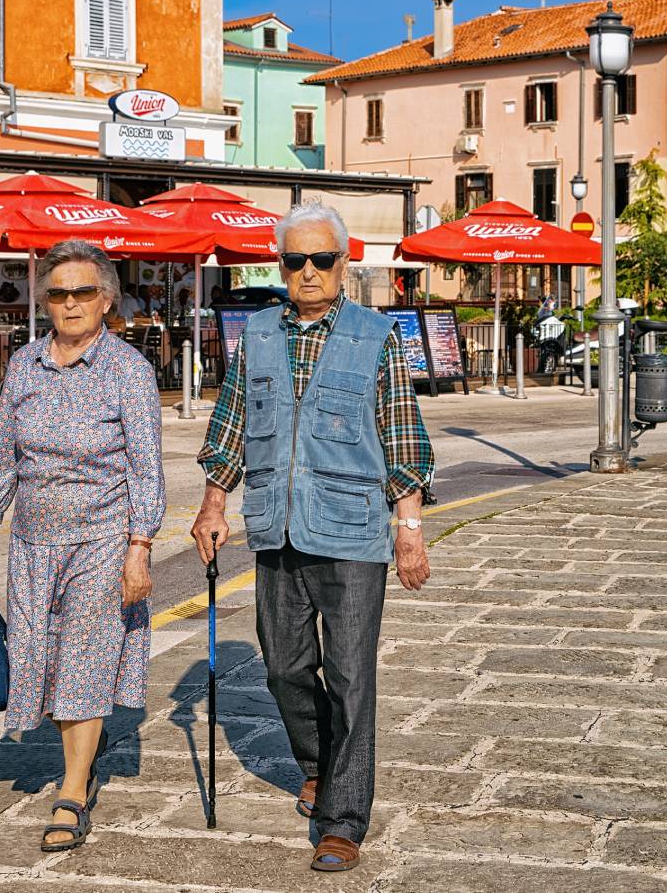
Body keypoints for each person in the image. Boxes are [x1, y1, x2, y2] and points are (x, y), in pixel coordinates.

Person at [192, 201, 434, 872]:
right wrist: (214, 502)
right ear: (281, 264)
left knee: (352, 678)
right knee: (282, 666)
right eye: (294, 260)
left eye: (321, 260)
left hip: (353, 532)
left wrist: (409, 530)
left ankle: (343, 818)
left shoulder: (374, 334)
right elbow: (232, 429)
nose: (306, 272)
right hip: (278, 527)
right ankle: (318, 764)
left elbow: (403, 437)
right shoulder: (258, 335)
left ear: (344, 263)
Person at [0, 240, 165, 853]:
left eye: (83, 292)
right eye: (58, 293)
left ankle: (73, 788)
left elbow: (146, 468)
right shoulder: (24, 365)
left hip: (101, 536)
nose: (70, 303)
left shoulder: (128, 370)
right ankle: (79, 746)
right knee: (37, 657)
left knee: (84, 655)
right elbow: (3, 454)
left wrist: (139, 546)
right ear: (44, 301)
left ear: (106, 300)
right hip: (33, 539)